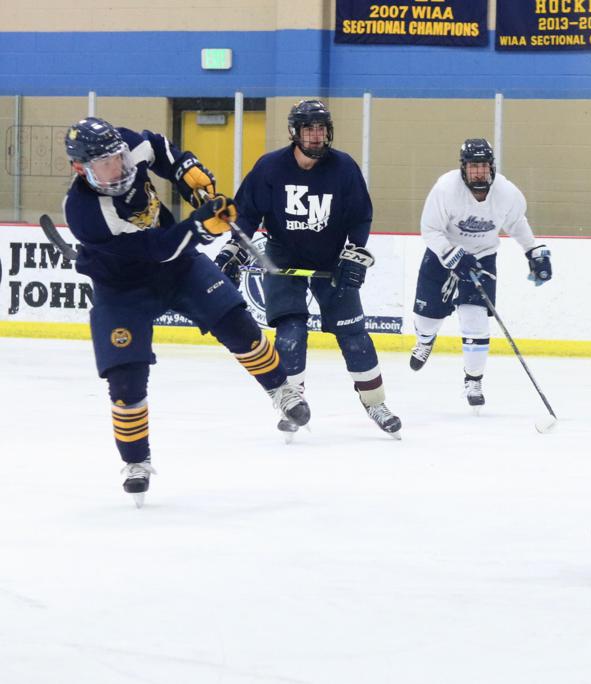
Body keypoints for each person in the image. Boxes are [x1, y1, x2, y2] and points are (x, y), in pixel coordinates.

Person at [62, 117, 309, 506]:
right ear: (81, 169)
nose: (119, 167)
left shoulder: (127, 144)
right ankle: (136, 462)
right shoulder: (84, 212)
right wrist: (200, 227)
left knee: (238, 325)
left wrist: (185, 169)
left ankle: (281, 388)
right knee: (125, 385)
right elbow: (157, 248)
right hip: (123, 288)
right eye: (106, 164)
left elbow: (159, 148)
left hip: (180, 268)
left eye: (119, 157)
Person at [218, 99, 401, 439]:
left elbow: (360, 216)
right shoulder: (270, 168)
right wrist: (234, 250)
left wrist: (355, 252)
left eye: (321, 129)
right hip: (283, 257)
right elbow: (246, 214)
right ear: (295, 133)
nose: (316, 136)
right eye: (309, 129)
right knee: (290, 334)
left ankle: (375, 402)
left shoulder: (343, 167)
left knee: (355, 336)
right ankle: (293, 403)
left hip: (331, 258)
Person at [409, 138, 552, 411]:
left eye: (483, 166)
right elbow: (429, 229)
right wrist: (452, 254)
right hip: (443, 257)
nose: (479, 172)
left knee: (476, 322)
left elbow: (516, 222)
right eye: (473, 166)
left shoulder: (506, 192)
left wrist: (533, 250)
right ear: (464, 168)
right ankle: (425, 341)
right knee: (427, 318)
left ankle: (473, 381)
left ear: (491, 167)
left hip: (483, 257)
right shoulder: (446, 189)